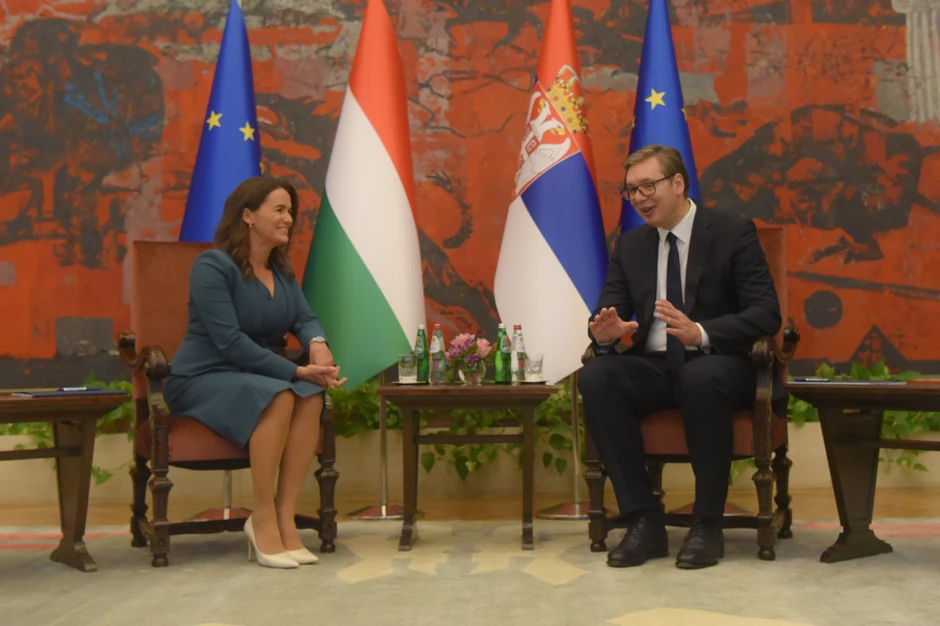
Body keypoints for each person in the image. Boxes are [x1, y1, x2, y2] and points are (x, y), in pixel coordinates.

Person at [578, 144, 783, 570]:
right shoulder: (631, 246)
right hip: (656, 365)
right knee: (598, 377)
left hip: (721, 363)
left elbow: (766, 313)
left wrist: (701, 333)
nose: (639, 198)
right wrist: (606, 334)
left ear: (677, 183)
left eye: (647, 186)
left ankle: (707, 525)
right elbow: (608, 314)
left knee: (700, 378)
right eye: (631, 190)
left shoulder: (731, 233)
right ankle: (643, 521)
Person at [165, 177, 347, 570]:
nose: (289, 218)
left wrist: (318, 345)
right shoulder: (212, 266)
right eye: (279, 210)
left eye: (290, 211)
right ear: (248, 215)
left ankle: (284, 517)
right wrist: (297, 371)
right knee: (280, 394)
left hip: (257, 376)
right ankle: (261, 518)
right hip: (202, 378)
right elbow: (230, 342)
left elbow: (305, 319)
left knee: (311, 396)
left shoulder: (281, 272)